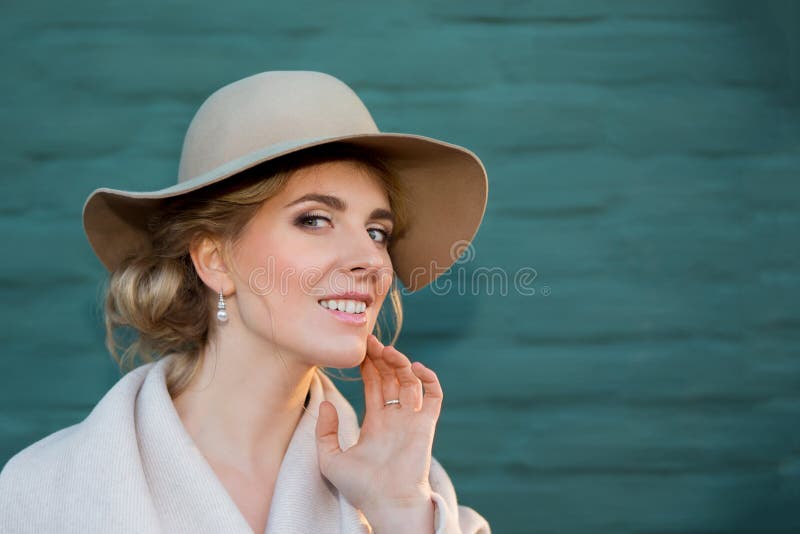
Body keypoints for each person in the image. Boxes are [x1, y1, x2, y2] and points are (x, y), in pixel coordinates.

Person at [0, 70, 490, 533]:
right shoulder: (38, 494)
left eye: (377, 231)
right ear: (214, 258)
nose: (372, 260)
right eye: (315, 220)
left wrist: (398, 511)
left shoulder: (418, 498)